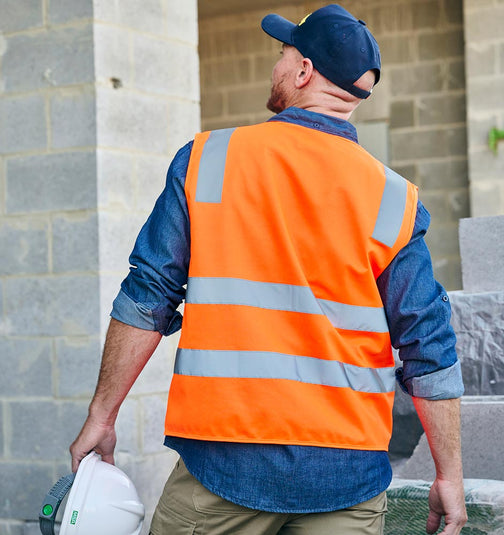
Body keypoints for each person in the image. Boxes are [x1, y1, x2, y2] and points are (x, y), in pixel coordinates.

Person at [70, 4, 467, 535]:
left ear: (303, 73)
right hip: (346, 476)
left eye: (283, 54)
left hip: (223, 470)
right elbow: (429, 341)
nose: (276, 66)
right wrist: (450, 475)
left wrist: (102, 415)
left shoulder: (209, 159)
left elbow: (148, 294)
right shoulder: (392, 199)